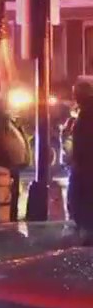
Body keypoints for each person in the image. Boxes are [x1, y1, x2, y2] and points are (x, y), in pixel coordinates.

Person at [0, 95, 30, 222]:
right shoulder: (2, 120)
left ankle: (10, 219)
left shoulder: (5, 121)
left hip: (10, 164)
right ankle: (10, 219)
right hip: (8, 164)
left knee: (11, 196)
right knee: (9, 196)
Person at [67, 80, 93, 245]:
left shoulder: (87, 113)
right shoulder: (84, 112)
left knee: (81, 199)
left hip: (85, 167)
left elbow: (83, 141)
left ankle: (87, 236)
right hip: (84, 166)